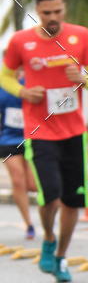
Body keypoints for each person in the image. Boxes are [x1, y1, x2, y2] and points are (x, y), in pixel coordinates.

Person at [0, 0, 88, 282]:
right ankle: (47, 237)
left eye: (57, 11)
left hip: (73, 132)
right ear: (37, 11)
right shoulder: (21, 42)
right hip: (39, 131)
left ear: (64, 7)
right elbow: (5, 76)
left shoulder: (80, 36)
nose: (52, 17)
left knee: (73, 201)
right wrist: (23, 91)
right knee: (51, 197)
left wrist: (83, 78)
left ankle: (60, 257)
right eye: (46, 13)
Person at [0, 71, 36, 238]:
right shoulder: (2, 82)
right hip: (7, 139)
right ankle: (28, 223)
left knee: (33, 185)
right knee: (17, 179)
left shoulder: (32, 79)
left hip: (32, 136)